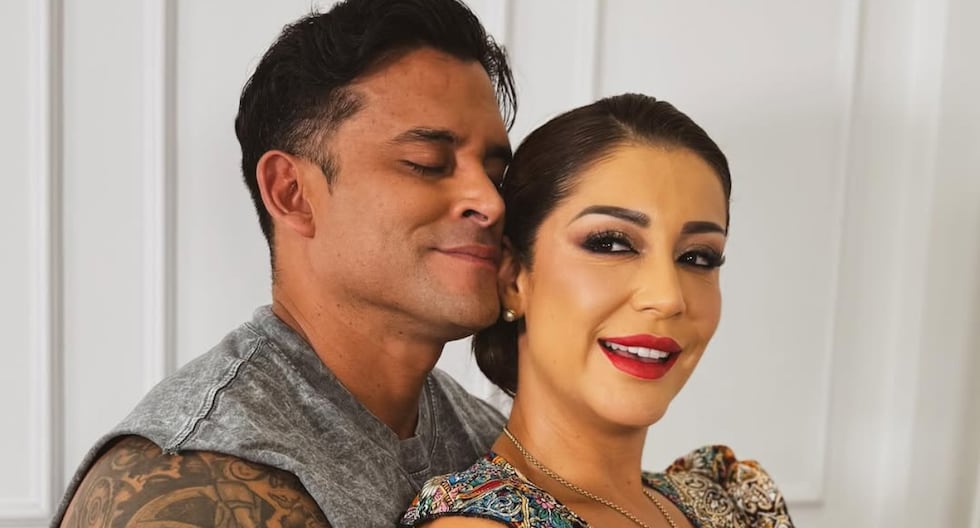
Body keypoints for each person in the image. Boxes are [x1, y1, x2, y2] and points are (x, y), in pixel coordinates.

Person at [53, 0, 518, 526]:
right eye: (427, 164)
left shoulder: (489, 439)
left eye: (495, 175)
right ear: (292, 193)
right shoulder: (185, 478)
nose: (491, 202)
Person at [400, 94, 795, 527]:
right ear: (513, 279)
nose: (668, 297)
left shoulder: (730, 502)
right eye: (610, 244)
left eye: (698, 257)